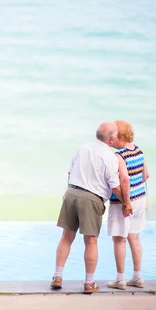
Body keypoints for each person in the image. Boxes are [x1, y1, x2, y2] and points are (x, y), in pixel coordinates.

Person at [50, 122, 131, 294]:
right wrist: (126, 202)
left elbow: (70, 173)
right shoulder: (110, 157)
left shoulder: (83, 148)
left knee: (66, 237)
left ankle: (57, 276)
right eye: (115, 135)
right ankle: (89, 283)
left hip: (71, 193)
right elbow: (115, 185)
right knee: (91, 241)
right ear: (111, 138)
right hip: (92, 198)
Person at [107, 120, 150, 290]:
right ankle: (138, 277)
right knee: (135, 237)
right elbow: (146, 175)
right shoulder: (139, 150)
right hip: (140, 199)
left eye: (113, 135)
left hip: (124, 202)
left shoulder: (120, 156)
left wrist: (126, 202)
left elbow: (124, 179)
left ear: (121, 137)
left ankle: (120, 279)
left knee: (119, 239)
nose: (111, 139)